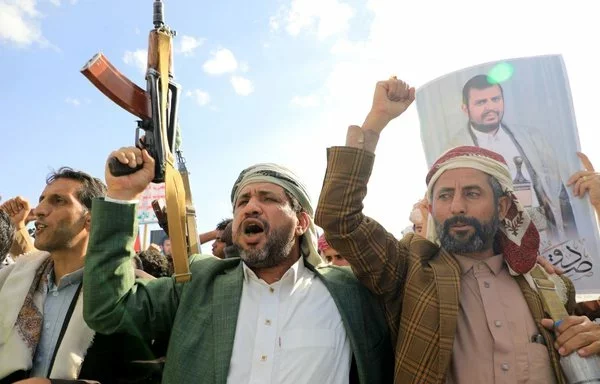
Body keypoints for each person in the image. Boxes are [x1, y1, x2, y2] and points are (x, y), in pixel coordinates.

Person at [316, 77, 600, 383]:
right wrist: (375, 123)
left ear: (504, 207)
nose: (456, 207)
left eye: (473, 193)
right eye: (445, 195)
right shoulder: (409, 271)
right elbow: (339, 218)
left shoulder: (549, 286)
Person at [82, 150, 393, 383]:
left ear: (301, 222)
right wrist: (121, 197)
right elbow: (109, 310)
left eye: (268, 198)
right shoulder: (199, 281)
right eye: (242, 201)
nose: (251, 206)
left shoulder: (350, 292)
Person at [0, 168, 159, 383]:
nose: (39, 210)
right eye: (42, 200)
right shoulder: (14, 282)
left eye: (58, 201)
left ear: (91, 219)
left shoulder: (131, 294)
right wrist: (16, 227)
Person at [449, 74, 577, 249]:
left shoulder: (532, 138)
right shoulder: (456, 150)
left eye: (495, 99)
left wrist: (572, 238)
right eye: (481, 103)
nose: (490, 107)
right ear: (465, 109)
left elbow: (559, 192)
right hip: (498, 244)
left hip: (547, 236)